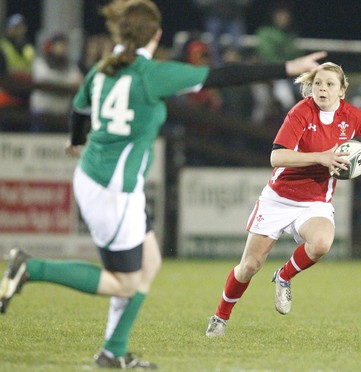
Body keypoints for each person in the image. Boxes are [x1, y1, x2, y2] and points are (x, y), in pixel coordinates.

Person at [0, 0, 327, 368]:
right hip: (113, 189)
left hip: (102, 180)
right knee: (123, 282)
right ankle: (31, 267)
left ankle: (113, 352)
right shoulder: (149, 74)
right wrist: (288, 67)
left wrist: (78, 141)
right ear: (155, 35)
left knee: (150, 263)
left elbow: (79, 108)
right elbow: (222, 75)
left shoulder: (104, 70)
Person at [206, 62, 361, 338]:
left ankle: (284, 276)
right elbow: (276, 157)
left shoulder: (353, 116)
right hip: (279, 198)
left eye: (329, 84)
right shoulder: (301, 111)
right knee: (250, 266)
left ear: (342, 91)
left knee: (322, 243)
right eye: (318, 84)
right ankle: (220, 317)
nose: (322, 89)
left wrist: (360, 166)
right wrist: (321, 157)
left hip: (315, 202)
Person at [30, 33, 83, 132]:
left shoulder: (69, 64)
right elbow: (43, 78)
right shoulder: (41, 61)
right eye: (60, 45)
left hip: (61, 114)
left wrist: (59, 82)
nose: (62, 48)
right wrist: (66, 82)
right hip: (42, 112)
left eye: (65, 45)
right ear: (52, 46)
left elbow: (79, 81)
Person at [0, 13, 34, 131]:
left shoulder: (28, 47)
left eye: (20, 27)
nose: (18, 30)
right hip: (6, 97)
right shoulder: (3, 47)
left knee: (22, 129)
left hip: (25, 98)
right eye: (14, 27)